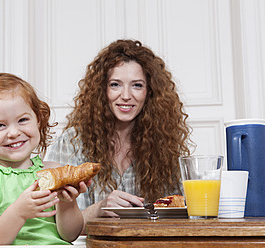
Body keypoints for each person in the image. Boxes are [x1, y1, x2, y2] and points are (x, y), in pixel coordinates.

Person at [47, 39, 193, 228]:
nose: (125, 95)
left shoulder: (164, 146)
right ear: (102, 90)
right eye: (115, 84)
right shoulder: (72, 142)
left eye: (137, 85)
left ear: (150, 92)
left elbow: (179, 215)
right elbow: (57, 228)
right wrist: (100, 208)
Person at [0, 73, 89, 245]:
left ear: (38, 120)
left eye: (22, 120)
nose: (14, 133)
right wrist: (18, 213)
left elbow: (70, 235)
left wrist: (68, 204)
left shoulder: (52, 171)